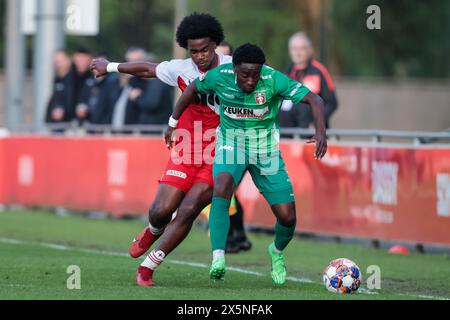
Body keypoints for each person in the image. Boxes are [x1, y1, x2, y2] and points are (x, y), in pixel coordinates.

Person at [165, 43, 327, 285]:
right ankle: (218, 256)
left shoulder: (274, 79)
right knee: (221, 188)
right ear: (235, 69)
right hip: (232, 144)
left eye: (256, 74)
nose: (251, 80)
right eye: (245, 75)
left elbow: (315, 99)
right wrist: (172, 121)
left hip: (265, 152)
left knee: (287, 217)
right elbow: (191, 89)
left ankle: (277, 251)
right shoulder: (220, 75)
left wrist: (321, 132)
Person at [90, 13, 230, 287]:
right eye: (193, 51)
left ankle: (148, 267)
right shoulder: (182, 68)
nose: (200, 56)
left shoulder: (232, 68)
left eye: (205, 50)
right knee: (161, 210)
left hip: (222, 151)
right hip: (187, 145)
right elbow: (148, 69)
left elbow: (264, 82)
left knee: (189, 209)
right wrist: (110, 67)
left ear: (215, 44)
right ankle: (153, 229)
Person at [215, 40, 252, 254]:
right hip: (213, 138)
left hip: (239, 141)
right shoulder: (213, 80)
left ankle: (231, 237)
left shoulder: (243, 83)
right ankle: (237, 235)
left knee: (226, 189)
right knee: (226, 190)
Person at [280, 32, 338, 129]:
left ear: (310, 50)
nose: (298, 53)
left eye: (302, 48)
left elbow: (332, 103)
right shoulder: (286, 71)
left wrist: (317, 122)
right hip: (287, 133)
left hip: (310, 135)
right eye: (294, 49)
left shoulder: (319, 71)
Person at [76, 54, 121, 125]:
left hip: (105, 128)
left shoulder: (113, 83)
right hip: (90, 126)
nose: (97, 67)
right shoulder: (89, 83)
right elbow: (83, 100)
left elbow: (113, 107)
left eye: (101, 64)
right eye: (94, 65)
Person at [45, 50, 76, 124]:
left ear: (68, 60)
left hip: (70, 125)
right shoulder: (57, 79)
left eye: (60, 61)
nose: (58, 64)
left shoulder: (75, 79)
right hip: (56, 124)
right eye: (56, 61)